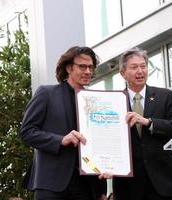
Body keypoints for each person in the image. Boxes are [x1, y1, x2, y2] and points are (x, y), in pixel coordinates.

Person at [20, 46, 108, 200]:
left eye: (91, 67)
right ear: (68, 68)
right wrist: (61, 140)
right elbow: (27, 132)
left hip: (87, 185)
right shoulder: (46, 93)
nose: (88, 71)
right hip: (52, 183)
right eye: (82, 66)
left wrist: (102, 189)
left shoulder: (97, 101)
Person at [112, 47, 172, 200]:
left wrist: (149, 122)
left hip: (164, 184)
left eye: (143, 66)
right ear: (122, 73)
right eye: (134, 67)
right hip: (128, 188)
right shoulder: (113, 102)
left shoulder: (165, 96)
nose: (140, 71)